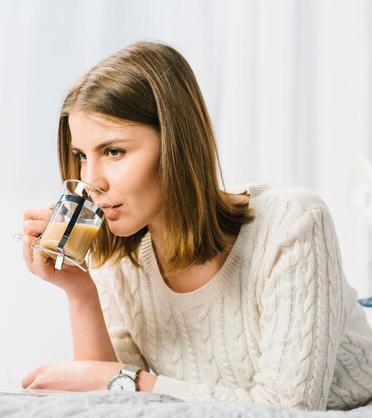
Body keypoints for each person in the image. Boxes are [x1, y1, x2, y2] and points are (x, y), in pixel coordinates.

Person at [19, 41, 372, 410]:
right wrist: (80, 293)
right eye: (80, 156)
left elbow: (290, 407)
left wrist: (130, 381)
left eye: (114, 151)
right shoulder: (120, 260)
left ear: (176, 144)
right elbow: (112, 399)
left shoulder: (293, 221)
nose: (91, 181)